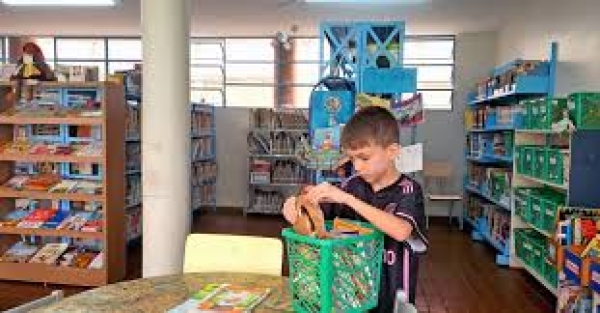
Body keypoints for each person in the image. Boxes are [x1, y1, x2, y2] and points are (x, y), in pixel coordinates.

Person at [283, 106, 428, 312]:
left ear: (392, 152)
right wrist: (295, 206)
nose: (357, 167)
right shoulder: (353, 185)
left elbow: (401, 230)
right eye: (352, 159)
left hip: (393, 298)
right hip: (354, 296)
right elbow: (320, 215)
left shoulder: (409, 190)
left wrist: (348, 199)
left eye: (364, 157)